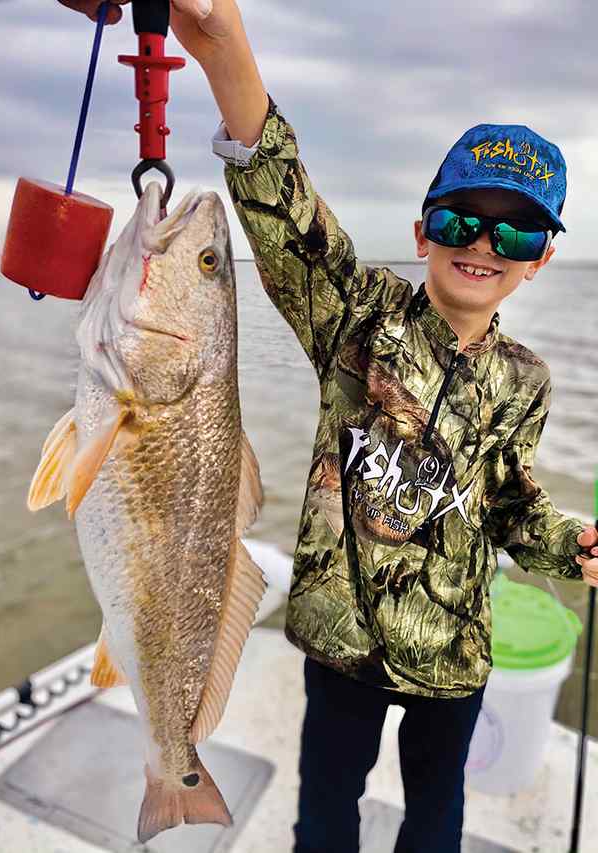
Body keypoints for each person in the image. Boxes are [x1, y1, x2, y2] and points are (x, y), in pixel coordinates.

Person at [63, 3, 598, 852]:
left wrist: (572, 544)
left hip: (451, 659)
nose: (485, 243)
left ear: (540, 260)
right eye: (463, 220)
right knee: (326, 816)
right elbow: (288, 215)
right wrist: (224, 48)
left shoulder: (525, 380)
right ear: (424, 231)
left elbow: (512, 508)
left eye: (518, 229)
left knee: (436, 821)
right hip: (338, 649)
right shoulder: (360, 316)